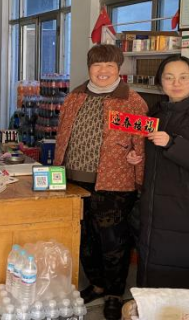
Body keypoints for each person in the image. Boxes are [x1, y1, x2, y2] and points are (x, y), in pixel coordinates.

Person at [54, 44, 147, 320]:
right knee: (84, 238)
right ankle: (96, 284)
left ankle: (114, 293)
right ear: (89, 68)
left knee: (113, 242)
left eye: (109, 65)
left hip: (115, 184)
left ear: (119, 69)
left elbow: (141, 144)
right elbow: (62, 135)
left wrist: (137, 164)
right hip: (73, 181)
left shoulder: (131, 101)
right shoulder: (75, 97)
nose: (103, 71)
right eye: (97, 65)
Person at [129, 55, 189, 289]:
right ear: (160, 81)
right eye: (169, 77)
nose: (176, 83)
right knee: (153, 274)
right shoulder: (155, 113)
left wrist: (173, 143)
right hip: (155, 208)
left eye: (183, 77)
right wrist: (136, 157)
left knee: (188, 279)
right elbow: (151, 155)